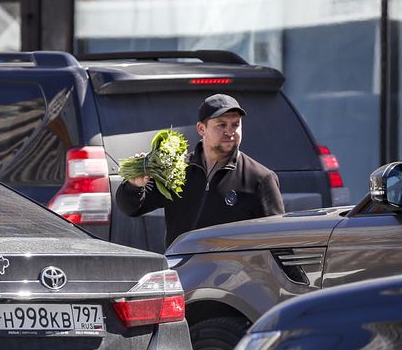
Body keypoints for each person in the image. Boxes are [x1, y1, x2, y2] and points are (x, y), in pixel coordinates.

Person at [115, 93, 285, 247]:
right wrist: (134, 185)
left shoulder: (260, 178)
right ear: (201, 129)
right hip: (181, 271)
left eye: (235, 124)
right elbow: (132, 208)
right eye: (221, 125)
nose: (230, 132)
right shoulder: (176, 169)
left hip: (231, 278)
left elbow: (277, 239)